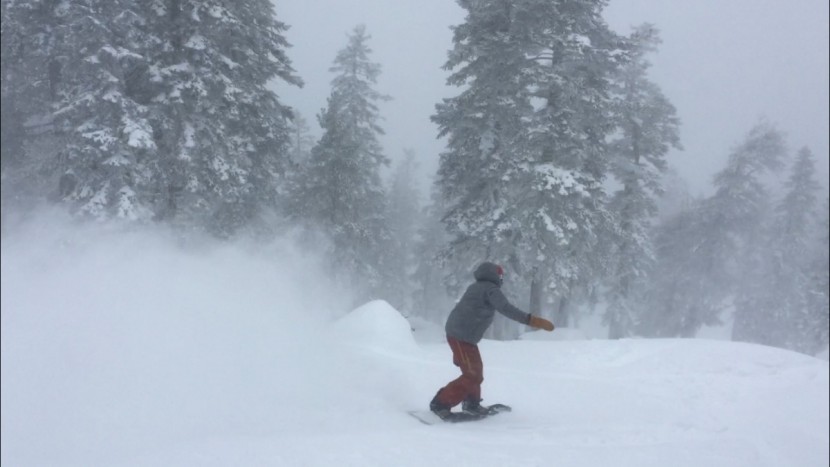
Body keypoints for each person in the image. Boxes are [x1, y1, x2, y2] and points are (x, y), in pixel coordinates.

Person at [430, 262, 554, 418]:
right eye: (500, 275)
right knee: (472, 374)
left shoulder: (476, 287)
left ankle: (472, 403)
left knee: (475, 372)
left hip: (463, 336)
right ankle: (440, 403)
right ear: (494, 276)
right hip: (461, 335)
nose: (501, 279)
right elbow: (505, 308)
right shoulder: (490, 289)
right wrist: (531, 320)